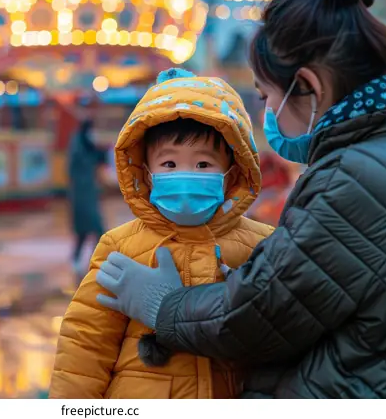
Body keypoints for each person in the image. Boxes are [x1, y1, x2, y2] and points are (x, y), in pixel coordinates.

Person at [95, 0, 386, 398]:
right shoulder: (375, 153)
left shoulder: (351, 179)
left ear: (308, 88)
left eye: (265, 96)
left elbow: (258, 316)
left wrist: (165, 305)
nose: (267, 113)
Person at [50, 69, 273, 399]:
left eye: (203, 165)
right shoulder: (121, 246)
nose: (185, 175)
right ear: (146, 170)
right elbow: (86, 344)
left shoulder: (262, 244)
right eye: (169, 164)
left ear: (232, 170)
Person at [67, 117, 106, 267]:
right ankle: (94, 259)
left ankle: (92, 258)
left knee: (89, 230)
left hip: (88, 194)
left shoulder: (86, 145)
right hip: (81, 195)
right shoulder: (79, 145)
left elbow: (97, 158)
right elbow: (78, 165)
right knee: (92, 229)